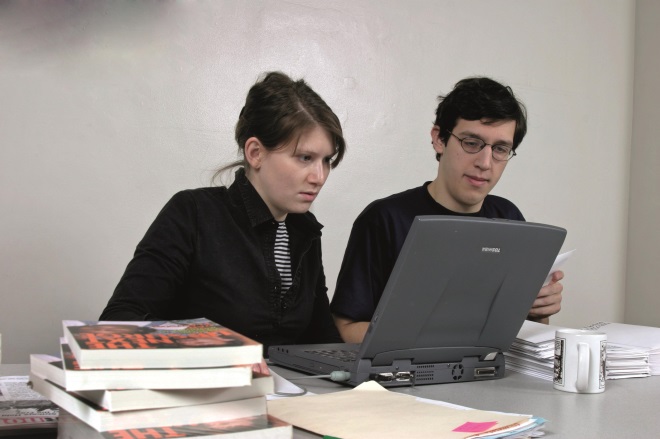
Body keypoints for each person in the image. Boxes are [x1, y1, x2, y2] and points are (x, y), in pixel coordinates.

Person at [100, 71, 346, 353]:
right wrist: (211, 344)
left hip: (282, 383)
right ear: (255, 153)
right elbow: (119, 322)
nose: (319, 176)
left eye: (326, 160)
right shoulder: (192, 214)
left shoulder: (304, 230)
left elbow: (321, 337)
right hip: (209, 380)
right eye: (305, 158)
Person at [330, 76, 564, 343]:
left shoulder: (509, 218)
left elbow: (522, 331)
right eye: (471, 143)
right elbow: (346, 329)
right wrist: (441, 335)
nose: (485, 163)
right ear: (439, 139)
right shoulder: (384, 219)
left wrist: (539, 311)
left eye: (500, 149)